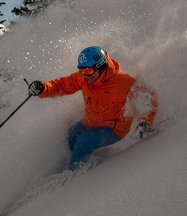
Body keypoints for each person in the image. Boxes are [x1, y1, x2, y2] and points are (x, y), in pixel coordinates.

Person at [28, 46, 157, 171]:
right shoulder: (84, 78)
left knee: (83, 141)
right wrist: (43, 88)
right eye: (81, 71)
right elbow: (62, 85)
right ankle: (75, 160)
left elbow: (149, 97)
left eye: (88, 71)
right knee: (72, 134)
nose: (85, 75)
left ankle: (75, 176)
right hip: (90, 122)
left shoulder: (123, 83)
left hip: (113, 129)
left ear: (101, 66)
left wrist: (145, 122)